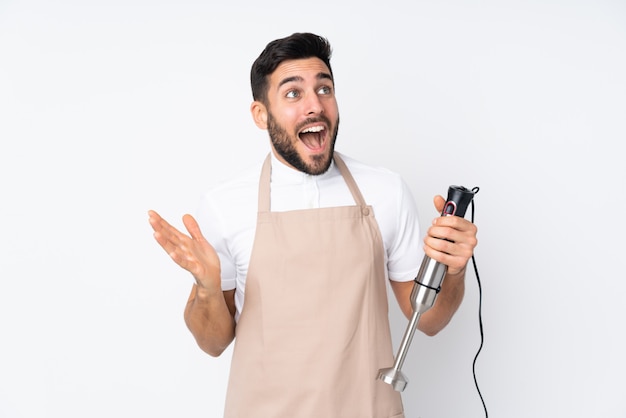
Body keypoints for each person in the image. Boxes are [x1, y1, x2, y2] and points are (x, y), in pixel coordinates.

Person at [148, 32, 478, 418]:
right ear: (261, 114)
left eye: (324, 89)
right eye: (293, 93)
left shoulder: (386, 190)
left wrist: (453, 271)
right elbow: (213, 343)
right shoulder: (225, 205)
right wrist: (206, 290)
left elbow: (430, 321)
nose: (314, 105)